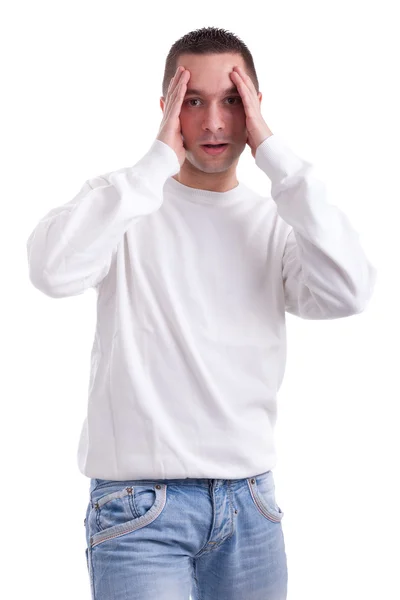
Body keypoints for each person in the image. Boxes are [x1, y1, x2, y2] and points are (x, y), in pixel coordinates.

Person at [26, 26, 376, 600]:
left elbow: (351, 290)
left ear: (256, 108)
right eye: (193, 101)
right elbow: (52, 272)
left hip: (251, 507)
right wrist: (153, 165)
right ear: (166, 108)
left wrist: (278, 158)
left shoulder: (275, 225)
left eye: (233, 101)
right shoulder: (125, 205)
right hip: (139, 514)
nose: (214, 123)